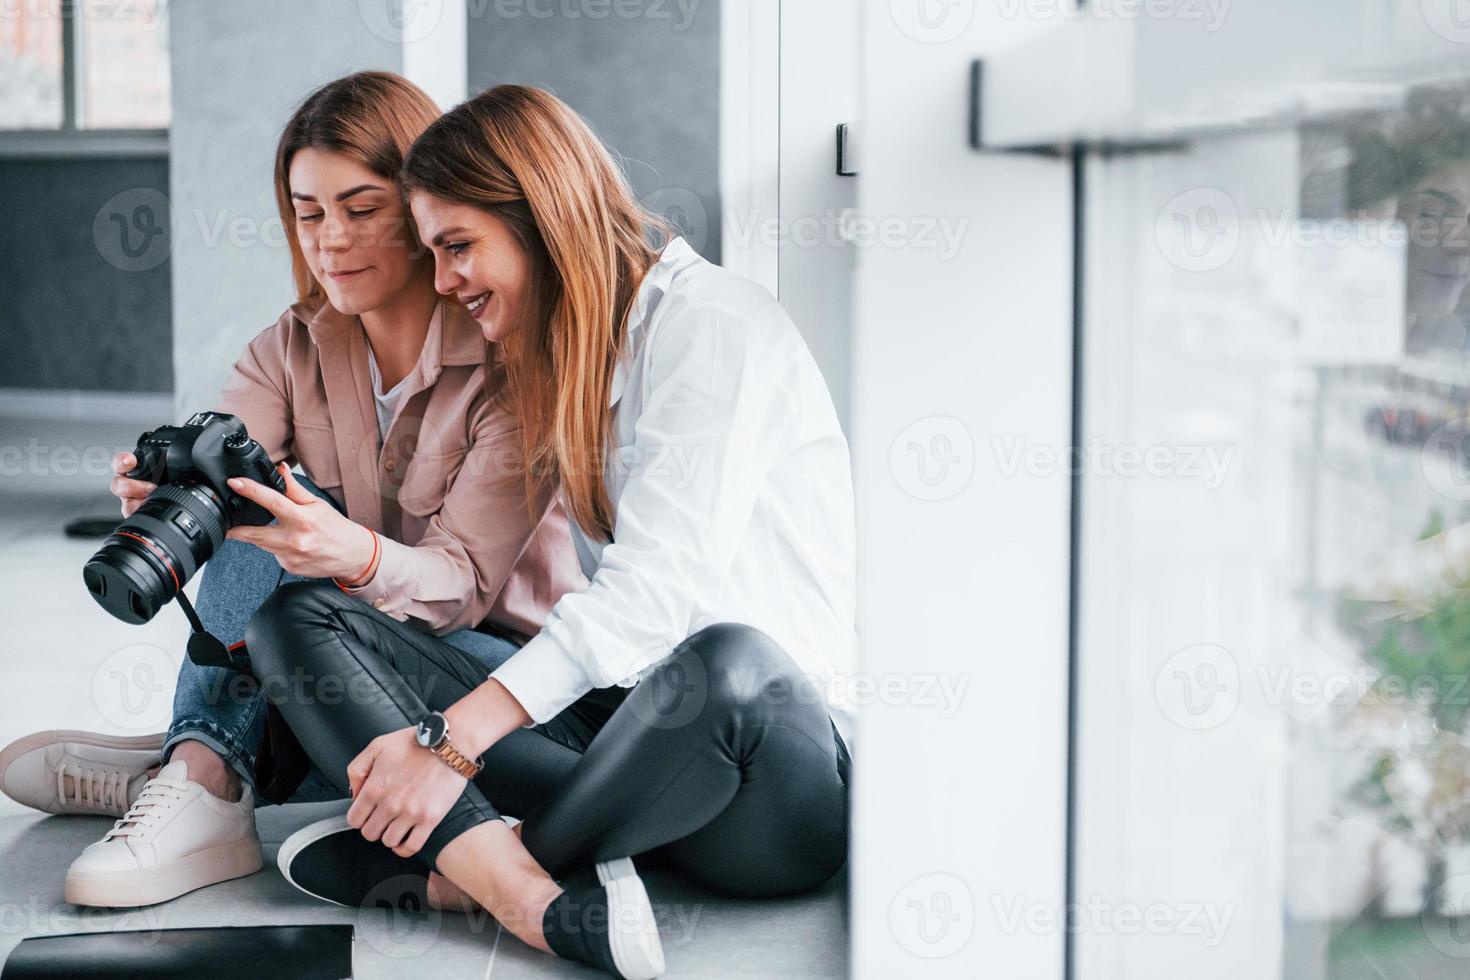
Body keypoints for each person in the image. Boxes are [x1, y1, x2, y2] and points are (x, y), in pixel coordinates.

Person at [244, 85, 856, 979]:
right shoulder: (574, 359)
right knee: (295, 619)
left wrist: (446, 746)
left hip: (765, 781)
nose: (445, 280)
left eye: (458, 247)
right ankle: (534, 898)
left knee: (729, 662)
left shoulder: (712, 326)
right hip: (625, 746)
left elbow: (651, 600)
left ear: (542, 217)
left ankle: (469, 873)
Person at [0, 72, 583, 909]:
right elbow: (228, 462)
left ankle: (199, 770)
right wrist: (172, 493)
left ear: (422, 208)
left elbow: (458, 591)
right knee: (247, 495)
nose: (329, 240)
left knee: (301, 536)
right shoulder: (292, 346)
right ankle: (202, 770)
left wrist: (350, 552)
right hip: (334, 655)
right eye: (309, 213)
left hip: (496, 685)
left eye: (361, 208)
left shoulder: (508, 359)